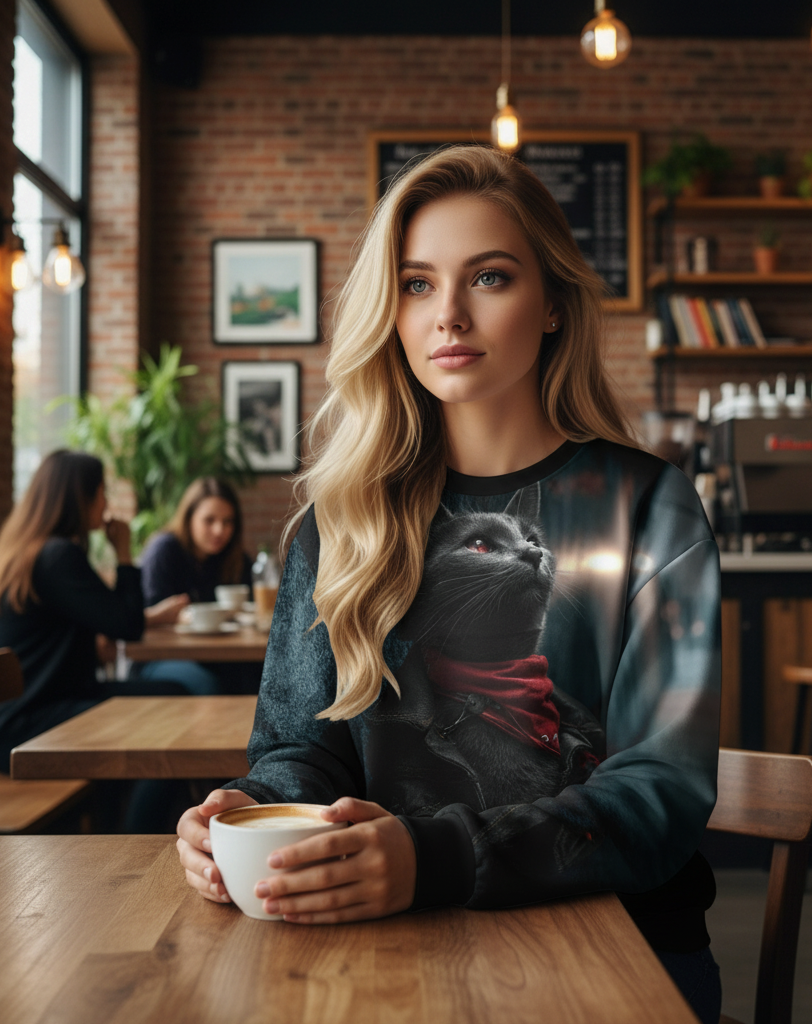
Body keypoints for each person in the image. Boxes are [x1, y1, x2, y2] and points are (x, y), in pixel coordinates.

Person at [176, 147, 722, 1022]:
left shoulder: (649, 505)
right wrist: (246, 815)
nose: (451, 316)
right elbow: (302, 751)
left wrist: (429, 858)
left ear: (551, 304)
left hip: (617, 952)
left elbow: (662, 790)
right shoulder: (340, 519)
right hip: (376, 949)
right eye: (418, 284)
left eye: (491, 277)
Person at [0, 450, 190, 776]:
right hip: (31, 721)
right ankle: (135, 823)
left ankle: (129, 816)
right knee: (170, 711)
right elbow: (127, 624)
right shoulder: (58, 556)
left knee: (172, 696)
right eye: (101, 493)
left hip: (28, 711)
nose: (106, 504)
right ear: (79, 498)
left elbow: (103, 617)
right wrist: (124, 554)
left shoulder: (29, 551)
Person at [137, 477, 256, 695]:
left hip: (221, 654)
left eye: (228, 521)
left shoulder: (234, 558)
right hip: (162, 657)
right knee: (207, 683)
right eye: (209, 520)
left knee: (260, 676)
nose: (219, 530)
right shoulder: (164, 551)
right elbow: (153, 616)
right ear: (189, 518)